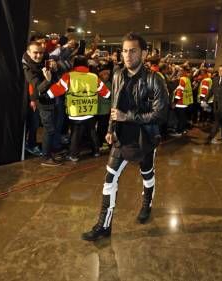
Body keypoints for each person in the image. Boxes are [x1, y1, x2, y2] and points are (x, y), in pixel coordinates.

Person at [81, 32, 169, 241]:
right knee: (109, 179)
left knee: (146, 174)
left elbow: (161, 114)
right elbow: (115, 104)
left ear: (144, 53)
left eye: (133, 51)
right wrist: (111, 128)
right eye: (125, 51)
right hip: (121, 137)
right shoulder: (118, 73)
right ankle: (104, 225)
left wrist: (127, 116)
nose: (127, 55)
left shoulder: (154, 80)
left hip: (145, 138)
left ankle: (146, 204)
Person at [47, 56, 110, 161]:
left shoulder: (69, 76)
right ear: (86, 64)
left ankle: (74, 155)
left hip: (75, 112)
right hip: (90, 110)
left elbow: (57, 90)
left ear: (74, 65)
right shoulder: (93, 77)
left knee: (75, 134)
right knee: (92, 131)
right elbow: (106, 93)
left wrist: (47, 94)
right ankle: (96, 151)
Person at [22, 41, 62, 166]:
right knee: (49, 129)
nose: (39, 55)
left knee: (53, 128)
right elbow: (38, 88)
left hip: (54, 97)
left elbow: (56, 70)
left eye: (41, 52)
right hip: (43, 101)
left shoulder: (46, 58)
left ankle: (50, 152)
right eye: (35, 53)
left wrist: (56, 67)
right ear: (28, 52)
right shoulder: (28, 68)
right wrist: (48, 80)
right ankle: (46, 158)